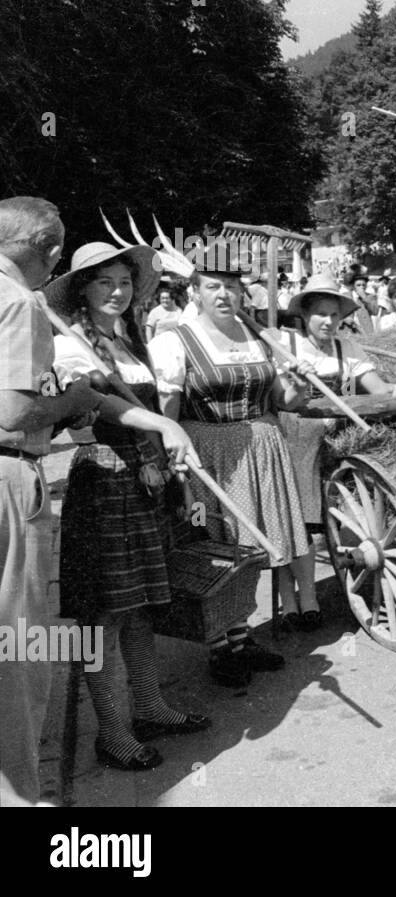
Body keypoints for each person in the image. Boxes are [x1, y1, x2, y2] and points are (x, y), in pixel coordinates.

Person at [45, 242, 214, 768]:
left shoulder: (131, 340)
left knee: (141, 609)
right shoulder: (69, 346)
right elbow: (74, 417)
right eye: (103, 283)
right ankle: (112, 732)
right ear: (81, 291)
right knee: (105, 617)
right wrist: (84, 391)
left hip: (146, 485)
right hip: (103, 481)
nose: (116, 292)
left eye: (123, 282)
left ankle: (148, 706)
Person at [149, 252, 315, 687]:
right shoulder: (174, 340)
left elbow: (284, 400)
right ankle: (221, 648)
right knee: (221, 549)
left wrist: (298, 379)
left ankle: (241, 638)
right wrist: (173, 467)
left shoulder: (258, 334)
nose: (224, 294)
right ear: (195, 293)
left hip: (263, 447)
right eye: (212, 286)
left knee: (255, 547)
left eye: (232, 286)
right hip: (209, 449)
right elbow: (166, 412)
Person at [0, 196, 99, 802]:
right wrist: (72, 401)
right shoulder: (18, 302)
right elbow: (13, 413)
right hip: (9, 477)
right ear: (46, 251)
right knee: (18, 645)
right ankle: (18, 793)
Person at [280, 277, 396, 612]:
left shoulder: (346, 347)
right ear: (305, 316)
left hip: (339, 436)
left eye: (334, 314)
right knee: (298, 520)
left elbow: (376, 389)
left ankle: (332, 569)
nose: (328, 321)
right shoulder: (286, 347)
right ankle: (301, 599)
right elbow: (279, 399)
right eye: (321, 314)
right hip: (299, 438)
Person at [341, 269, 376, 335]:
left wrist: (365, 298)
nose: (362, 287)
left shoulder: (370, 297)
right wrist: (344, 319)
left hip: (365, 331)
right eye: (358, 285)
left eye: (363, 285)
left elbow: (375, 311)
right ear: (353, 286)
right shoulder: (345, 296)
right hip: (349, 332)